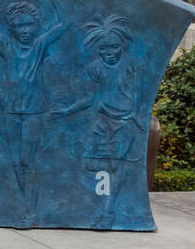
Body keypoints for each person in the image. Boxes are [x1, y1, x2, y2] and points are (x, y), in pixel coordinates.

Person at [0, 0, 67, 226]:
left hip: (34, 110)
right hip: (9, 109)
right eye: (20, 26)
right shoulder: (5, 44)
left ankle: (31, 209)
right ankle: (21, 206)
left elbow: (63, 24)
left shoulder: (39, 44)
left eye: (29, 25)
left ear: (36, 26)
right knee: (14, 161)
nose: (25, 30)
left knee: (28, 160)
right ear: (13, 28)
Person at [54, 15, 145, 228]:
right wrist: (67, 110)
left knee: (115, 165)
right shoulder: (95, 68)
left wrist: (136, 117)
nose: (109, 53)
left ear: (123, 45)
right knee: (92, 163)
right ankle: (98, 205)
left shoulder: (133, 65)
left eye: (114, 47)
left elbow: (141, 95)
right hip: (102, 122)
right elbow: (89, 98)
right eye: (104, 49)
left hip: (124, 123)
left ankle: (108, 211)